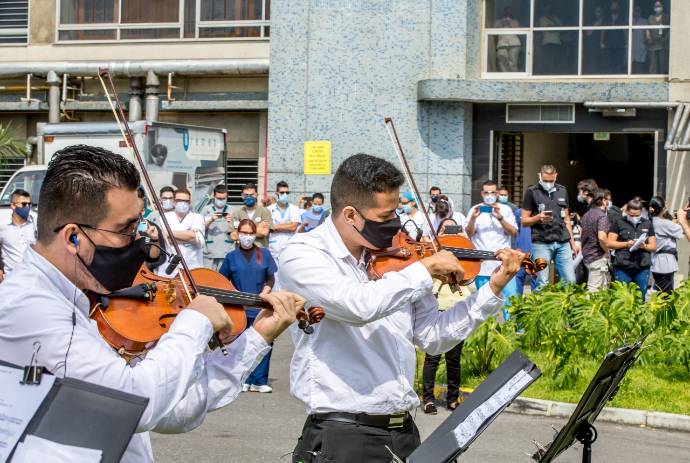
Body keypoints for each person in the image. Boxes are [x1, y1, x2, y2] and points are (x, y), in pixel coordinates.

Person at [0, 145, 306, 463]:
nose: (141, 244)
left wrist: (257, 337)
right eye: (126, 230)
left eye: (140, 227)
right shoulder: (31, 306)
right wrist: (195, 321)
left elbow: (174, 409)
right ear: (73, 238)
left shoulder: (82, 302)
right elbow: (134, 401)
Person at [279, 153, 525, 462]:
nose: (395, 226)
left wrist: (491, 289)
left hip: (404, 431)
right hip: (343, 434)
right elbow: (357, 305)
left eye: (397, 214)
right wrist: (424, 269)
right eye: (385, 218)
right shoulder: (303, 255)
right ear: (351, 215)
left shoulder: (398, 262)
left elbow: (434, 335)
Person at [220, 219, 278, 393]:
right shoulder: (231, 257)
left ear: (255, 235)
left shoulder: (264, 254)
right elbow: (223, 281)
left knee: (264, 340)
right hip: (240, 308)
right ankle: (243, 378)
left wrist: (266, 292)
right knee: (242, 343)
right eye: (244, 233)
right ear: (237, 234)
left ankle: (259, 381)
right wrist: (232, 297)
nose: (247, 237)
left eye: (250, 233)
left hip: (261, 305)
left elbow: (271, 278)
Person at [421, 218, 465, 415]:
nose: (450, 233)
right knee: (432, 358)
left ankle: (453, 399)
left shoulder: (462, 258)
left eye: (453, 229)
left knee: (454, 360)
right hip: (437, 310)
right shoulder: (433, 257)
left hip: (456, 311)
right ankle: (428, 399)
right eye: (445, 230)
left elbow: (469, 286)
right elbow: (427, 285)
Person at [466, 180, 518, 319]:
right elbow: (468, 234)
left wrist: (500, 218)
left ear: (497, 193)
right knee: (483, 302)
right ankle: (485, 332)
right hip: (482, 265)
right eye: (487, 192)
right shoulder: (475, 209)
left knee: (511, 299)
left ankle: (514, 331)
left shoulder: (505, 209)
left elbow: (514, 232)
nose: (489, 195)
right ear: (482, 193)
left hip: (503, 263)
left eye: (493, 192)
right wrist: (472, 219)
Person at [522, 164, 578, 288]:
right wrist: (538, 217)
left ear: (556, 176)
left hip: (562, 241)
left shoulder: (562, 190)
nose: (548, 183)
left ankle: (564, 306)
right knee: (542, 282)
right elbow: (524, 221)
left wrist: (572, 242)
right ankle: (539, 307)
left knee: (570, 281)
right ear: (539, 176)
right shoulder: (532, 192)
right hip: (541, 243)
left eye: (551, 180)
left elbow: (566, 218)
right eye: (545, 180)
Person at [608, 198, 656, 300]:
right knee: (622, 298)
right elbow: (609, 243)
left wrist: (644, 246)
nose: (634, 218)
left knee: (640, 297)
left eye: (637, 215)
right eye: (632, 215)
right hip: (623, 266)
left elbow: (653, 246)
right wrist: (626, 244)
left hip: (642, 266)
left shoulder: (647, 223)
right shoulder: (618, 222)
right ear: (626, 212)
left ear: (642, 212)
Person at [159, 187, 205, 275]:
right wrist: (188, 237)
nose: (183, 203)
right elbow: (165, 240)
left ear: (190, 202)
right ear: (174, 202)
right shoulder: (164, 217)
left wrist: (168, 233)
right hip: (169, 267)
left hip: (193, 266)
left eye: (186, 201)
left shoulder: (197, 217)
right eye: (179, 200)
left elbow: (196, 238)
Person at [648, 196, 684, 292]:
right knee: (666, 294)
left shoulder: (654, 221)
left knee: (660, 291)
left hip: (658, 261)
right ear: (663, 209)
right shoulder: (663, 223)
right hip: (664, 263)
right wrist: (682, 218)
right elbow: (681, 231)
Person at [0, 189, 37, 281]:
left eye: (29, 204)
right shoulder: (2, 226)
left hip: (33, 277)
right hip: (11, 278)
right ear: (13, 205)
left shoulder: (35, 223)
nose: (27, 207)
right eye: (24, 204)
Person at [580, 191, 610, 292]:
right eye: (607, 199)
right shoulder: (602, 216)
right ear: (603, 201)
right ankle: (588, 308)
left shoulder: (586, 215)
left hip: (587, 255)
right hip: (598, 256)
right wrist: (607, 251)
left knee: (596, 289)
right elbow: (602, 237)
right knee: (595, 290)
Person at [268, 181, 302, 264]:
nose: (285, 195)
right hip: (274, 248)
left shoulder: (294, 209)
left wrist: (276, 226)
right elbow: (268, 227)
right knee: (275, 276)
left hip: (290, 248)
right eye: (282, 192)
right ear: (277, 193)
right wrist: (288, 225)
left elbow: (293, 227)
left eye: (287, 192)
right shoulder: (268, 209)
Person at [229, 182, 272, 248]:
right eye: (246, 195)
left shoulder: (265, 212)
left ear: (256, 195)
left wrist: (242, 232)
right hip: (241, 252)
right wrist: (257, 229)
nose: (249, 197)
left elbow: (264, 232)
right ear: (242, 196)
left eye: (252, 195)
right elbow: (233, 236)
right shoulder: (237, 212)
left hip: (259, 251)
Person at [201, 184, 234, 271]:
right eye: (219, 198)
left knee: (224, 278)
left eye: (223, 198)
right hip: (209, 251)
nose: (221, 201)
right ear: (214, 196)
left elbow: (239, 229)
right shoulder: (206, 210)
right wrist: (211, 219)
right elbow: (200, 229)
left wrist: (232, 222)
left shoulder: (233, 210)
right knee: (209, 278)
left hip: (227, 249)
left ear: (227, 197)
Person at [495, 6, 522, 72]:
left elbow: (518, 31)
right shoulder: (498, 21)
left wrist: (509, 23)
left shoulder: (515, 21)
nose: (508, 13)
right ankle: (505, 75)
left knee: (513, 62)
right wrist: (502, 22)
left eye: (509, 12)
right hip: (502, 44)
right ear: (503, 13)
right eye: (506, 11)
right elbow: (494, 30)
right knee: (501, 59)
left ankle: (514, 76)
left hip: (514, 43)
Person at [646, 1, 669, 74]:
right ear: (653, 8)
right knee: (653, 63)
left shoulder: (667, 17)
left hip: (663, 43)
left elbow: (669, 30)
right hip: (652, 43)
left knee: (663, 62)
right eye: (656, 6)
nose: (657, 7)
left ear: (662, 6)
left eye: (659, 5)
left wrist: (665, 39)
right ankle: (653, 77)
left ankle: (662, 76)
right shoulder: (650, 17)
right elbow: (647, 29)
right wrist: (649, 38)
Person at [632, 5, 649, 74]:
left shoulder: (644, 21)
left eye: (638, 10)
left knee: (640, 64)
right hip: (632, 46)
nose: (636, 12)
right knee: (631, 63)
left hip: (641, 46)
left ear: (641, 11)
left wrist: (644, 43)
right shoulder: (630, 21)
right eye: (635, 11)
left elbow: (647, 34)